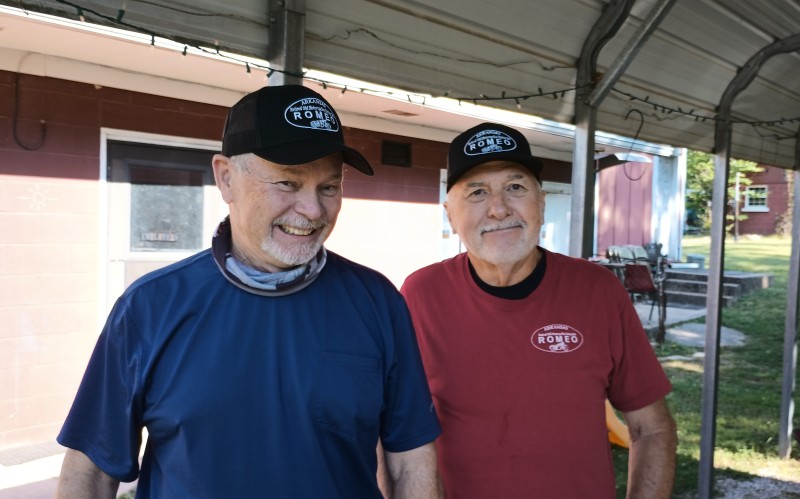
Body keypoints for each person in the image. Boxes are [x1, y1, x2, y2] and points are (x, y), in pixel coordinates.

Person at [56, 85, 442, 498]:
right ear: (226, 179)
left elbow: (409, 459)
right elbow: (92, 471)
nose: (312, 210)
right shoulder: (149, 307)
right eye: (288, 183)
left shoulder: (377, 302)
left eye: (329, 187)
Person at [401, 122, 677, 498]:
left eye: (515, 187)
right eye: (477, 192)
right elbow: (396, 435)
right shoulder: (421, 294)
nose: (498, 209)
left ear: (542, 202)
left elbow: (652, 428)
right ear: (451, 214)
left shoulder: (597, 290)